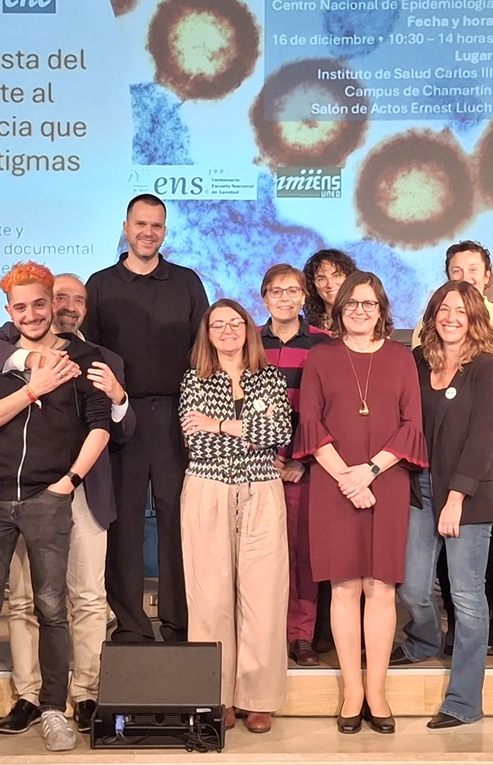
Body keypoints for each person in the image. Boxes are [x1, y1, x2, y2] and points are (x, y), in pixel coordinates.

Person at [0, 263, 114, 756]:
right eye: (20, 307)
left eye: (39, 304)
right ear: (8, 311)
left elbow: (100, 426)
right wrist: (33, 386)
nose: (31, 314)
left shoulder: (85, 359)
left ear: (53, 304)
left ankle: (53, 709)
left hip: (46, 498)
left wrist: (68, 483)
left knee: (52, 608)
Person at [298, 272, 426, 734]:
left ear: (382, 311)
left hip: (385, 482)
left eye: (369, 304)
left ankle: (378, 690)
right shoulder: (321, 356)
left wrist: (368, 472)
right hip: (333, 482)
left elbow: (411, 425)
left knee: (381, 587)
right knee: (345, 587)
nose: (360, 311)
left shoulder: (401, 358)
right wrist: (348, 479)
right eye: (352, 303)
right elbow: (310, 423)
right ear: (339, 309)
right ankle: (352, 691)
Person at [83, 195, 209, 643]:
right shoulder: (99, 285)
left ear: (165, 232)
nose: (148, 232)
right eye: (140, 224)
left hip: (177, 415)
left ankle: (179, 621)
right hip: (123, 419)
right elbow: (90, 355)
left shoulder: (187, 282)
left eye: (156, 226)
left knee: (178, 520)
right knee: (125, 523)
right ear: (126, 227)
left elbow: (204, 351)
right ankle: (131, 624)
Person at [179, 299, 294, 732]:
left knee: (264, 597)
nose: (227, 331)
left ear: (248, 329)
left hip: (262, 490)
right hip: (207, 489)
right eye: (218, 325)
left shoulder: (270, 377)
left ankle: (258, 698)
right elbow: (197, 441)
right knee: (210, 599)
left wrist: (220, 424)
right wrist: (247, 431)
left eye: (235, 323)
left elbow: (279, 431)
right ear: (207, 335)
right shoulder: (194, 379)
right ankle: (217, 695)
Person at [399, 281, 493, 729]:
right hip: (420, 487)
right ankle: (424, 639)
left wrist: (456, 498)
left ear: (474, 316)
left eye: (460, 310)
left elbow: (482, 439)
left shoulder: (486, 367)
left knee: (467, 597)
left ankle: (464, 700)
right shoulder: (417, 361)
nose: (451, 317)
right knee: (411, 587)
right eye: (443, 309)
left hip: (468, 494)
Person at [259, 263, 332, 666]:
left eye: (292, 291)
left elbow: (329, 410)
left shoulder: (324, 344)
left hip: (306, 466)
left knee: (302, 555)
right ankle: (265, 632)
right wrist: (265, 455)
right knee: (263, 555)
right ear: (264, 297)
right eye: (276, 291)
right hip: (257, 466)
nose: (284, 298)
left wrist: (301, 459)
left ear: (305, 297)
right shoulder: (249, 341)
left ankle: (300, 635)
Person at [413, 242, 493, 359]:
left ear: (487, 276)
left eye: (473, 270)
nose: (465, 278)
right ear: (448, 277)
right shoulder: (431, 320)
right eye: (457, 271)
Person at [302, 247, 357, 333]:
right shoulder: (306, 329)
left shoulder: (364, 321)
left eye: (336, 276)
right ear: (313, 285)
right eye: (321, 279)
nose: (330, 285)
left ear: (349, 278)